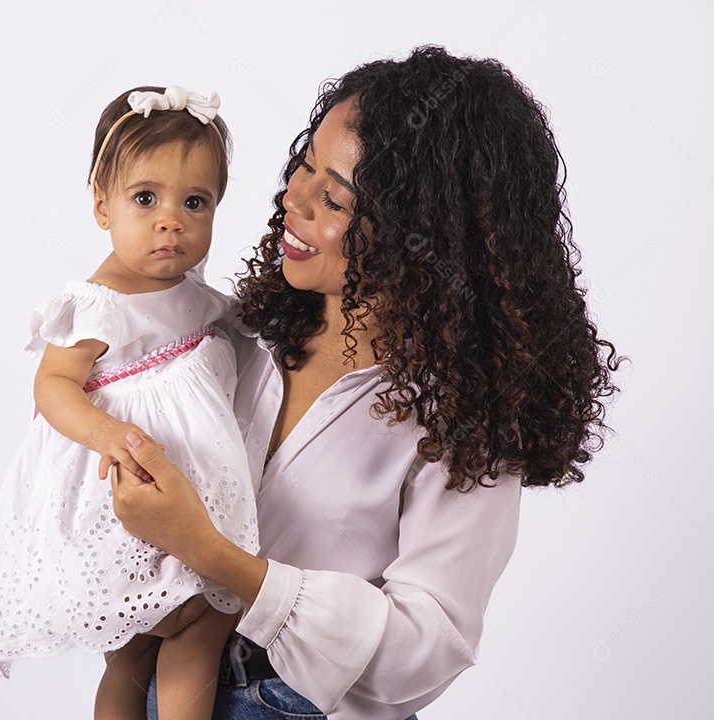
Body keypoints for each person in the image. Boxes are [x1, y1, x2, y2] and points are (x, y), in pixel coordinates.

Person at [109, 46, 622, 720]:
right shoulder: (238, 336)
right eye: (304, 166)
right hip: (166, 682)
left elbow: (425, 650)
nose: (291, 198)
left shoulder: (461, 422)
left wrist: (209, 552)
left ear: (418, 234)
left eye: (333, 198)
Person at [0, 85, 259, 720]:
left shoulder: (199, 297)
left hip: (185, 498)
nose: (171, 220)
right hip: (129, 503)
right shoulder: (101, 301)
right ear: (102, 205)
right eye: (145, 199)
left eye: (195, 202)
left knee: (173, 636)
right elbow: (51, 387)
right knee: (190, 626)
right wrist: (106, 434)